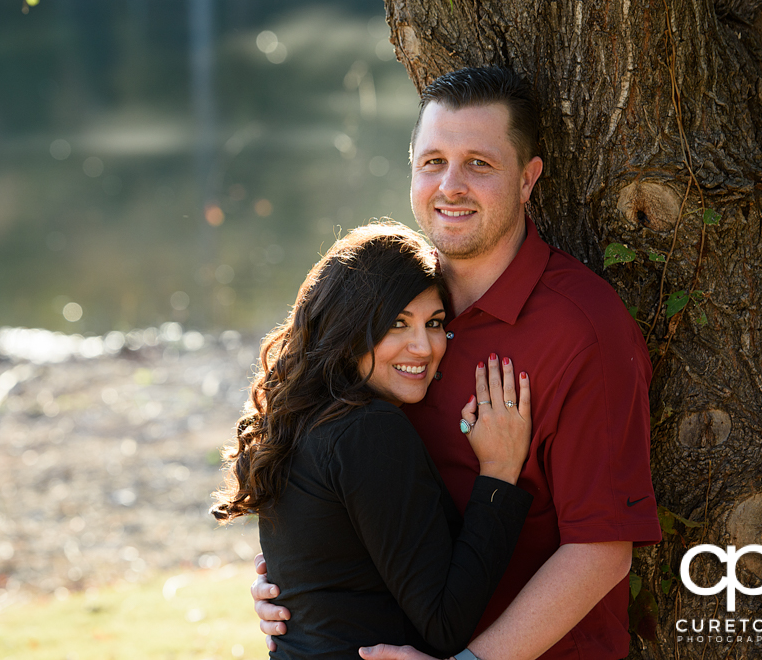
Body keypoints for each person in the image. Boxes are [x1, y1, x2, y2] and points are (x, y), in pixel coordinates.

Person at [253, 66, 662, 660]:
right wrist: (303, 585)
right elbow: (331, 460)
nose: (450, 186)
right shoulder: (385, 307)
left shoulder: (584, 331)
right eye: (432, 161)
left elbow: (602, 547)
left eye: (480, 164)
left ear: (528, 180)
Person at [211, 222, 534, 659]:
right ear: (350, 326)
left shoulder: (302, 419)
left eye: (434, 323)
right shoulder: (368, 430)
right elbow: (445, 623)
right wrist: (499, 474)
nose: (423, 347)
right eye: (397, 324)